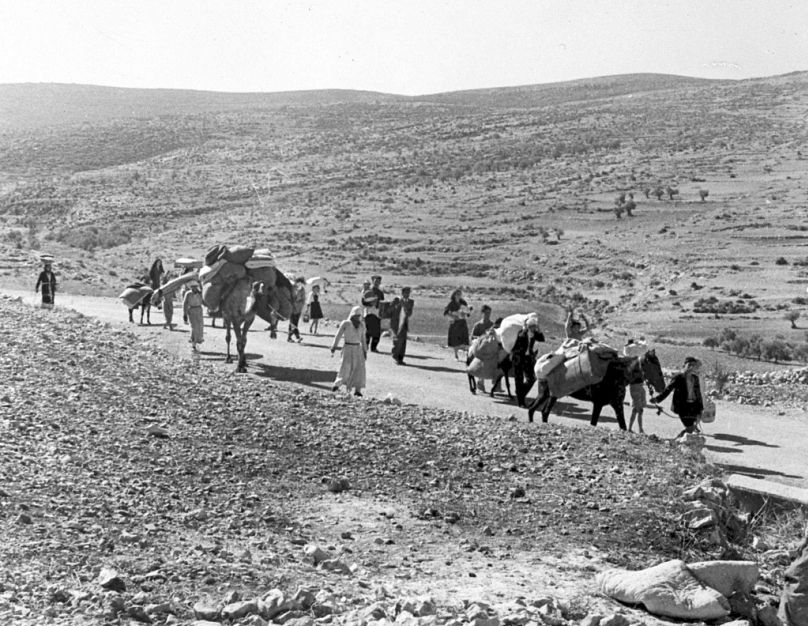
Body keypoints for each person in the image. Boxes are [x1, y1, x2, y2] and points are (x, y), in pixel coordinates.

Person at [651, 356, 704, 438]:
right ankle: (678, 440)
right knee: (690, 428)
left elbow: (698, 394)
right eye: (689, 365)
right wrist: (657, 399)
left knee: (691, 428)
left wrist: (700, 408)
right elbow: (668, 389)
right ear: (684, 365)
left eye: (693, 365)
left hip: (693, 407)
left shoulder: (695, 378)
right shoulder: (678, 377)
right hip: (683, 407)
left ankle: (680, 440)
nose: (691, 367)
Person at [330, 306, 367, 397]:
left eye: (359, 315)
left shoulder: (361, 325)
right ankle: (337, 385)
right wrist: (334, 346)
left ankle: (357, 390)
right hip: (347, 348)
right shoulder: (346, 324)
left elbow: (363, 339)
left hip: (357, 349)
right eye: (357, 315)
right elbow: (338, 335)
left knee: (359, 369)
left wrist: (365, 350)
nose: (358, 317)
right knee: (345, 367)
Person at [511, 314, 545, 407]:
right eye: (533, 326)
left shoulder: (534, 334)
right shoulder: (522, 333)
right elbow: (521, 336)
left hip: (527, 359)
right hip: (518, 358)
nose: (534, 328)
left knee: (531, 378)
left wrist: (539, 328)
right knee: (519, 379)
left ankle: (520, 393)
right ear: (529, 326)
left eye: (535, 326)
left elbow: (542, 338)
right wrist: (526, 328)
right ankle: (521, 402)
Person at [624, 338, 649, 433]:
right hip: (636, 387)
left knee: (636, 410)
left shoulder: (636, 364)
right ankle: (640, 429)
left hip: (638, 387)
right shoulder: (635, 366)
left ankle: (631, 428)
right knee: (639, 410)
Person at [444, 288, 471, 360]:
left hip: (462, 322)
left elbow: (468, 313)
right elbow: (445, 313)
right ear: (454, 295)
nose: (459, 296)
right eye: (457, 294)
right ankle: (456, 355)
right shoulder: (451, 303)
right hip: (455, 323)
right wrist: (453, 317)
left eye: (460, 294)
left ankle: (466, 355)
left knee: (464, 339)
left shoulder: (463, 302)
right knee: (455, 339)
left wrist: (467, 312)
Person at [390, 287, 414, 365]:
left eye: (408, 293)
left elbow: (409, 314)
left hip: (404, 324)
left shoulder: (410, 302)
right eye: (406, 293)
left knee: (403, 342)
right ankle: (395, 355)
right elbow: (390, 309)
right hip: (396, 324)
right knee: (397, 340)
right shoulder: (397, 300)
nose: (407, 294)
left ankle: (400, 358)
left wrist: (405, 306)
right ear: (402, 293)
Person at [361, 275, 385, 352]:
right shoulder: (367, 291)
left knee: (377, 331)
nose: (377, 283)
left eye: (378, 281)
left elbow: (382, 303)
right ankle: (366, 345)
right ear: (372, 281)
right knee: (369, 331)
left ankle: (373, 348)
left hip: (377, 314)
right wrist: (371, 304)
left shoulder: (380, 292)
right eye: (375, 281)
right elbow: (363, 302)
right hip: (369, 313)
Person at [182, 281, 205, 351]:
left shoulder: (200, 293)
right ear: (191, 287)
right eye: (193, 287)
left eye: (195, 287)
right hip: (191, 310)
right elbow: (185, 303)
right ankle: (193, 342)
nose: (194, 288)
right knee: (194, 326)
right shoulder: (188, 294)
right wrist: (184, 314)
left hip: (199, 310)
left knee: (200, 326)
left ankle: (198, 340)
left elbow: (204, 301)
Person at [288, 276, 306, 343]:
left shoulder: (302, 290)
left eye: (301, 283)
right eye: (299, 282)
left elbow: (303, 300)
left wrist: (300, 305)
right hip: (292, 308)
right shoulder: (292, 288)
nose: (300, 284)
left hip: (298, 309)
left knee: (294, 323)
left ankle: (289, 337)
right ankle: (298, 337)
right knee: (293, 323)